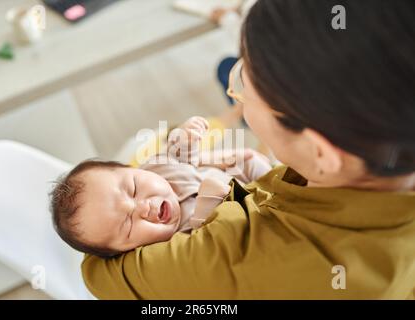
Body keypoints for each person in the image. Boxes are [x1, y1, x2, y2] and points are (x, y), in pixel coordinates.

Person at [81, 0, 415, 299]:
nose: (236, 88)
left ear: (320, 153)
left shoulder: (235, 257)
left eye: (242, 85)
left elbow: (99, 274)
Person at [50, 116, 271, 257]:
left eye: (134, 189)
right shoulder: (170, 247)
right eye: (127, 225)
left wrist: (185, 136)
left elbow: (178, 154)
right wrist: (207, 206)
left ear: (135, 169)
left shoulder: (156, 167)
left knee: (251, 161)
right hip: (245, 218)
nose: (142, 208)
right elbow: (211, 246)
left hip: (246, 178)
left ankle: (279, 182)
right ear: (126, 251)